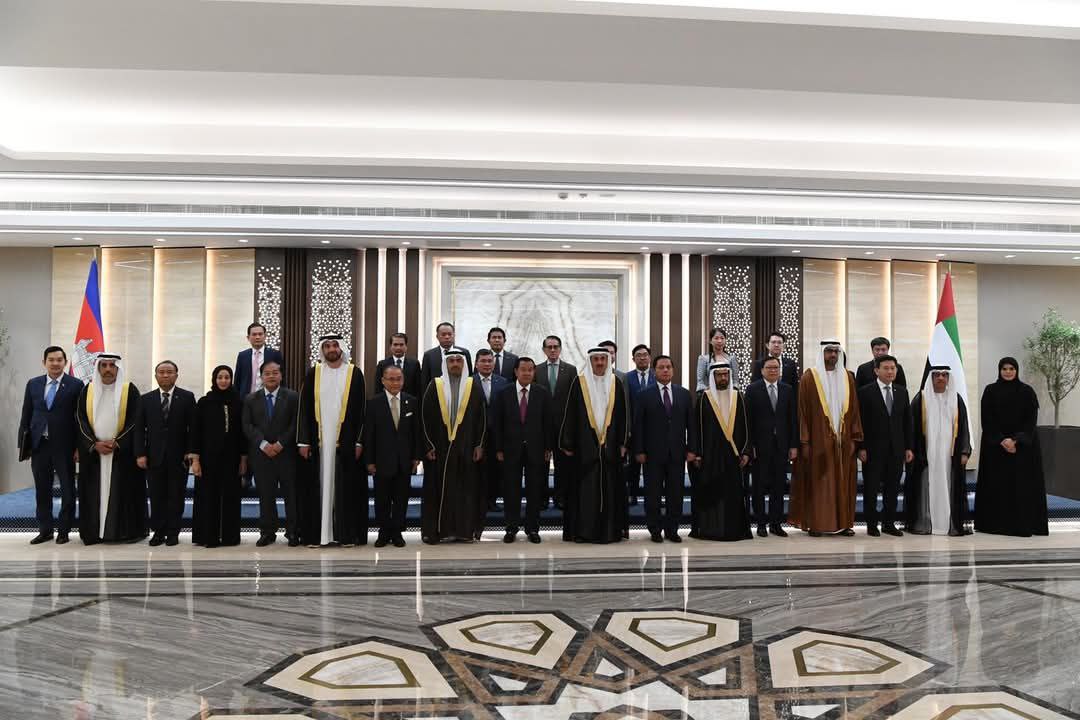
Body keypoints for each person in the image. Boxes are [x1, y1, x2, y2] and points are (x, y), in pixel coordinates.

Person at [297, 334, 368, 547]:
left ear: (342, 348)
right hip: (317, 442)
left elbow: (362, 411)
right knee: (317, 487)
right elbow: (304, 408)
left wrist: (359, 441)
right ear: (322, 350)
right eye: (327, 346)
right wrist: (303, 441)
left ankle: (345, 535)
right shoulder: (314, 373)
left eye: (335, 345)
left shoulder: (354, 373)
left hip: (346, 442)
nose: (331, 349)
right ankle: (317, 535)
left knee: (345, 488)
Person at [789, 340, 863, 536]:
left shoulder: (848, 377)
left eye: (835, 351)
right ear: (822, 353)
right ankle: (817, 524)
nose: (832, 355)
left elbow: (855, 410)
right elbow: (802, 412)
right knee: (819, 483)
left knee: (843, 483)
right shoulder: (809, 377)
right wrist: (805, 441)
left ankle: (844, 524)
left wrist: (855, 438)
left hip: (843, 442)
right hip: (818, 441)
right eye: (829, 351)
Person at [559, 347, 628, 544]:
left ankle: (609, 532)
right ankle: (583, 532)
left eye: (602, 359)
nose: (599, 363)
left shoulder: (616, 383)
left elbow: (623, 416)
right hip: (584, 448)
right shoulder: (579, 383)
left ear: (607, 361)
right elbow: (570, 414)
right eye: (596, 359)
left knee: (610, 491)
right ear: (590, 361)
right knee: (584, 492)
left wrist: (623, 442)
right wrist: (567, 443)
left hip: (610, 447)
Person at [74, 354, 145, 544]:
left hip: (121, 454)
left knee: (123, 494)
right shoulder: (87, 390)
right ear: (98, 368)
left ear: (117, 368)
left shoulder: (129, 390)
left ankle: (122, 533)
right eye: (103, 365)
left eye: (112, 365)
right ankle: (94, 533)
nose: (107, 369)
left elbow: (135, 421)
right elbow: (80, 420)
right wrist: (93, 444)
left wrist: (118, 442)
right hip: (94, 455)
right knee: (93, 494)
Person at [974, 357, 1049, 537]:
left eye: (1011, 369)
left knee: (1020, 487)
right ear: (999, 370)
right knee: (998, 488)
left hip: (1022, 450)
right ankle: (995, 525)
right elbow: (987, 420)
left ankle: (1022, 524)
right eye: (1004, 369)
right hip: (996, 449)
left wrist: (1016, 440)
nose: (1008, 372)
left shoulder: (1027, 392)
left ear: (1016, 370)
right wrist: (1002, 440)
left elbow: (1030, 421)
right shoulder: (990, 391)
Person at [421, 348, 487, 543]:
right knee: (438, 490)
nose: (455, 364)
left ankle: (464, 531)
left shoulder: (473, 386)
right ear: (446, 364)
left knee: (465, 490)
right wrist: (428, 445)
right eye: (452, 361)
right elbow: (424, 417)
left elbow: (482, 419)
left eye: (459, 361)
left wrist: (479, 445)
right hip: (439, 449)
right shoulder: (435, 385)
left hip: (466, 448)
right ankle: (436, 532)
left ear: (464, 364)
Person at [18, 346, 84, 544]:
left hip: (65, 446)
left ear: (65, 362)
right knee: (42, 490)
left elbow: (80, 419)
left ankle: (64, 531)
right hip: (39, 445)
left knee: (68, 490)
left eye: (59, 360)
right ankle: (45, 530)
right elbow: (26, 414)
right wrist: (24, 445)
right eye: (51, 360)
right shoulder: (33, 384)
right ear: (44, 362)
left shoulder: (76, 384)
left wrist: (79, 447)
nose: (55, 363)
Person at [134, 360, 196, 547]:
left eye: (169, 372)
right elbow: (139, 429)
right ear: (156, 376)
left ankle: (173, 532)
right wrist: (140, 454)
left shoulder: (187, 397)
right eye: (161, 372)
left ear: (176, 375)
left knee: (176, 496)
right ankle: (158, 532)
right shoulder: (146, 399)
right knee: (156, 496)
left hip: (179, 458)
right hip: (154, 457)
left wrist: (190, 452)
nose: (165, 375)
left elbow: (193, 428)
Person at [689, 362, 753, 541]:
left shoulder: (738, 397)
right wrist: (698, 453)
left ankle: (734, 530)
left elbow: (747, 426)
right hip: (710, 457)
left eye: (726, 374)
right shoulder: (704, 398)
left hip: (734, 456)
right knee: (712, 492)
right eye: (719, 375)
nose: (723, 378)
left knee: (733, 494)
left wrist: (746, 452)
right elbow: (696, 428)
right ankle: (711, 530)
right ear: (713, 377)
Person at [492, 356, 553, 544]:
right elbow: (497, 423)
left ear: (534, 372)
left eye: (530, 370)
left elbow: (548, 422)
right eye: (523, 369)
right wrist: (499, 448)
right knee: (511, 490)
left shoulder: (542, 393)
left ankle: (532, 529)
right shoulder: (504, 393)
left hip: (537, 449)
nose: (527, 373)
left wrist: (548, 447)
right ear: (516, 371)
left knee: (535, 490)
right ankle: (511, 528)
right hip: (510, 449)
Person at [907, 366, 972, 536]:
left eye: (944, 375)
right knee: (926, 486)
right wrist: (910, 449)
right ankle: (926, 522)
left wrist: (964, 451)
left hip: (949, 455)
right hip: (926, 454)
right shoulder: (921, 399)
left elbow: (964, 427)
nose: (941, 378)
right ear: (931, 377)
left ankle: (947, 523)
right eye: (937, 375)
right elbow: (911, 428)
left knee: (948, 484)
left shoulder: (956, 399)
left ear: (948, 378)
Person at [633, 355, 692, 543]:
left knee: (676, 494)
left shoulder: (683, 394)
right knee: (653, 494)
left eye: (668, 367)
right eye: (661, 367)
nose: (665, 370)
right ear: (654, 371)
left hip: (677, 453)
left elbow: (691, 425)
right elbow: (638, 425)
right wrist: (639, 450)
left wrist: (692, 449)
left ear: (673, 370)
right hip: (652, 454)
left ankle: (672, 530)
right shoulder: (644, 395)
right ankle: (655, 529)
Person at [242, 360, 300, 546]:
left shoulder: (292, 397)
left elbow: (295, 423)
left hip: (287, 454)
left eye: (275, 372)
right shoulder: (251, 399)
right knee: (266, 495)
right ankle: (267, 532)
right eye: (267, 373)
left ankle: (293, 531)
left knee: (291, 495)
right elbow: (247, 425)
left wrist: (281, 443)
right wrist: (263, 444)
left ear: (281, 375)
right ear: (261, 377)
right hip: (262, 455)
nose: (271, 376)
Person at [364, 364, 421, 548]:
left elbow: (416, 432)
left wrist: (416, 457)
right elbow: (369, 435)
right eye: (391, 379)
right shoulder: (374, 403)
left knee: (401, 498)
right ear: (383, 381)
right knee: (382, 499)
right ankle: (383, 532)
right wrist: (369, 461)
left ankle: (397, 532)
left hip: (404, 461)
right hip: (381, 461)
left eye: (399, 379)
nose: (395, 383)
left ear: (403, 380)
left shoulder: (412, 401)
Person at [190, 365, 247, 547]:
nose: (223, 381)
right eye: (220, 377)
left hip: (232, 459)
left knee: (231, 497)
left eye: (227, 377)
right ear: (214, 379)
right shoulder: (204, 402)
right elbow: (195, 432)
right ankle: (207, 536)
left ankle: (230, 537)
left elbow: (242, 434)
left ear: (231, 380)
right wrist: (195, 460)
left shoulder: (239, 402)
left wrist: (243, 459)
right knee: (208, 497)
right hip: (208, 459)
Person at [856, 354, 913, 537]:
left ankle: (889, 523)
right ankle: (872, 524)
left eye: (893, 368)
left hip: (896, 449)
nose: (890, 371)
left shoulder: (902, 392)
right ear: (876, 371)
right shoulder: (865, 392)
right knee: (871, 488)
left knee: (893, 488)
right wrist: (861, 447)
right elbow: (860, 422)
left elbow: (907, 421)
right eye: (886, 368)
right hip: (872, 450)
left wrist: (908, 447)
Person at [743, 356, 798, 537]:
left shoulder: (787, 389)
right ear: (762, 370)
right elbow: (747, 421)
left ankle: (776, 523)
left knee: (778, 486)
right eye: (769, 368)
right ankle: (760, 523)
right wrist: (750, 446)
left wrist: (793, 445)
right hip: (760, 447)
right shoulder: (752, 390)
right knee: (758, 486)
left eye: (776, 367)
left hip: (781, 446)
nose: (773, 370)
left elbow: (792, 419)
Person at [534, 335, 577, 508]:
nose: (552, 350)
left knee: (562, 465)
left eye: (555, 347)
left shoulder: (571, 370)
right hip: (541, 426)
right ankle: (542, 498)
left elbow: (574, 398)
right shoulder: (536, 370)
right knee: (541, 464)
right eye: (549, 347)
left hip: (563, 426)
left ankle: (560, 497)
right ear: (544, 350)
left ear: (560, 349)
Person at [473, 348, 509, 511]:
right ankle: (477, 502)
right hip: (475, 434)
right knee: (477, 469)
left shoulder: (503, 382)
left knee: (495, 470)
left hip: (497, 434)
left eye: (489, 361)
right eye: (483, 361)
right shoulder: (469, 382)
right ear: (476, 364)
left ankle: (492, 501)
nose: (487, 364)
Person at [624, 344, 654, 506]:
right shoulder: (626, 378)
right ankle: (632, 494)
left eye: (645, 355)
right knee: (633, 466)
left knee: (654, 467)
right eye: (638, 355)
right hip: (634, 429)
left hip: (654, 429)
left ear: (649, 357)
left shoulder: (657, 375)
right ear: (633, 359)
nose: (642, 358)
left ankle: (654, 496)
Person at [233, 322, 285, 397]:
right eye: (254, 334)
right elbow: (237, 380)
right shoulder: (242, 356)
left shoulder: (275, 354)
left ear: (265, 336)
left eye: (260, 334)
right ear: (248, 337)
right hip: (246, 398)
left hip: (268, 398)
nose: (257, 337)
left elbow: (281, 378)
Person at [421, 322, 473, 390]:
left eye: (449, 334)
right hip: (437, 392)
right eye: (443, 334)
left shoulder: (464, 353)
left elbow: (470, 376)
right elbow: (424, 380)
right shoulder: (429, 355)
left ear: (454, 335)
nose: (447, 337)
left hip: (460, 391)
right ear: (437, 336)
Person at [375, 332, 422, 399]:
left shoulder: (414, 364)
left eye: (401, 345)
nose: (398, 348)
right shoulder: (382, 364)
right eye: (395, 344)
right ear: (391, 347)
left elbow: (418, 389)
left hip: (409, 402)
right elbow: (378, 388)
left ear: (406, 346)